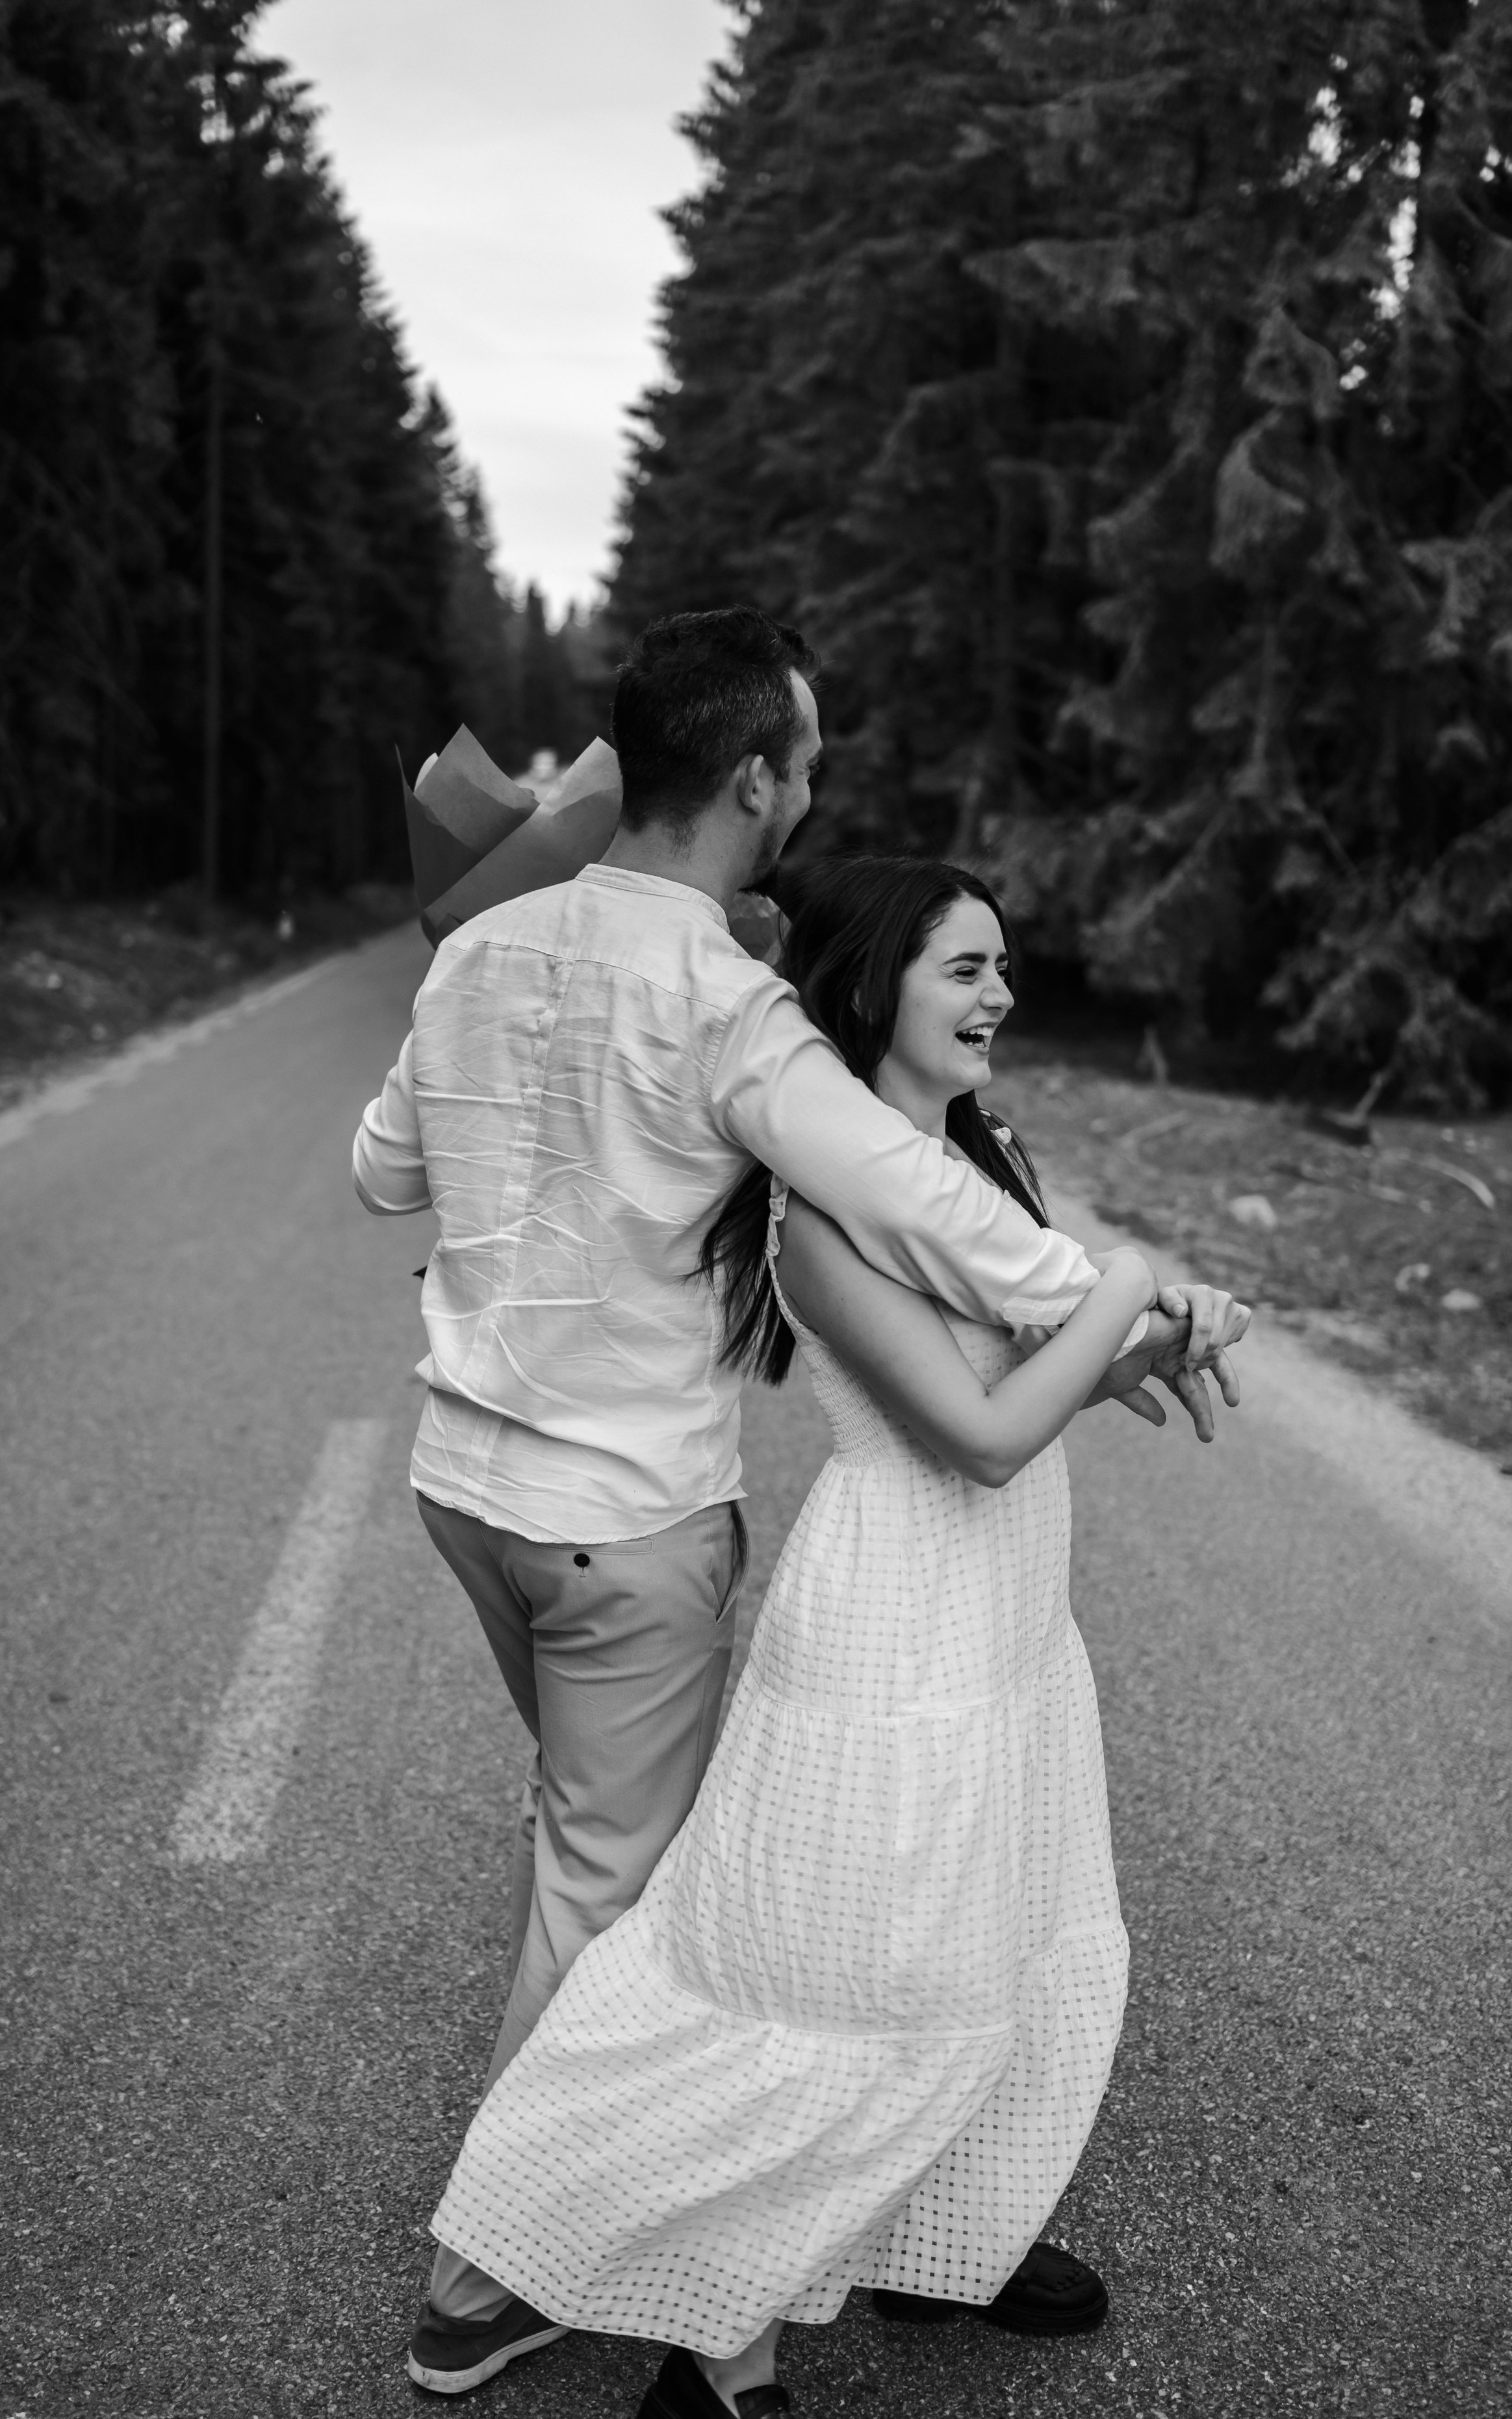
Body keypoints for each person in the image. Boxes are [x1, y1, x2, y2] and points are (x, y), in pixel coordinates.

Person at [352, 609, 1245, 2400]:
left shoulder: (476, 959)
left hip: (472, 1492)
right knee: (634, 1902)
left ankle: (848, 2220)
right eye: (809, 763)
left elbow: (385, 1176)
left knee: (631, 1865)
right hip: (619, 1517)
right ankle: (500, 2278)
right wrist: (1120, 1279)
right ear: (753, 777)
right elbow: (908, 1200)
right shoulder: (722, 1005)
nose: (813, 790)